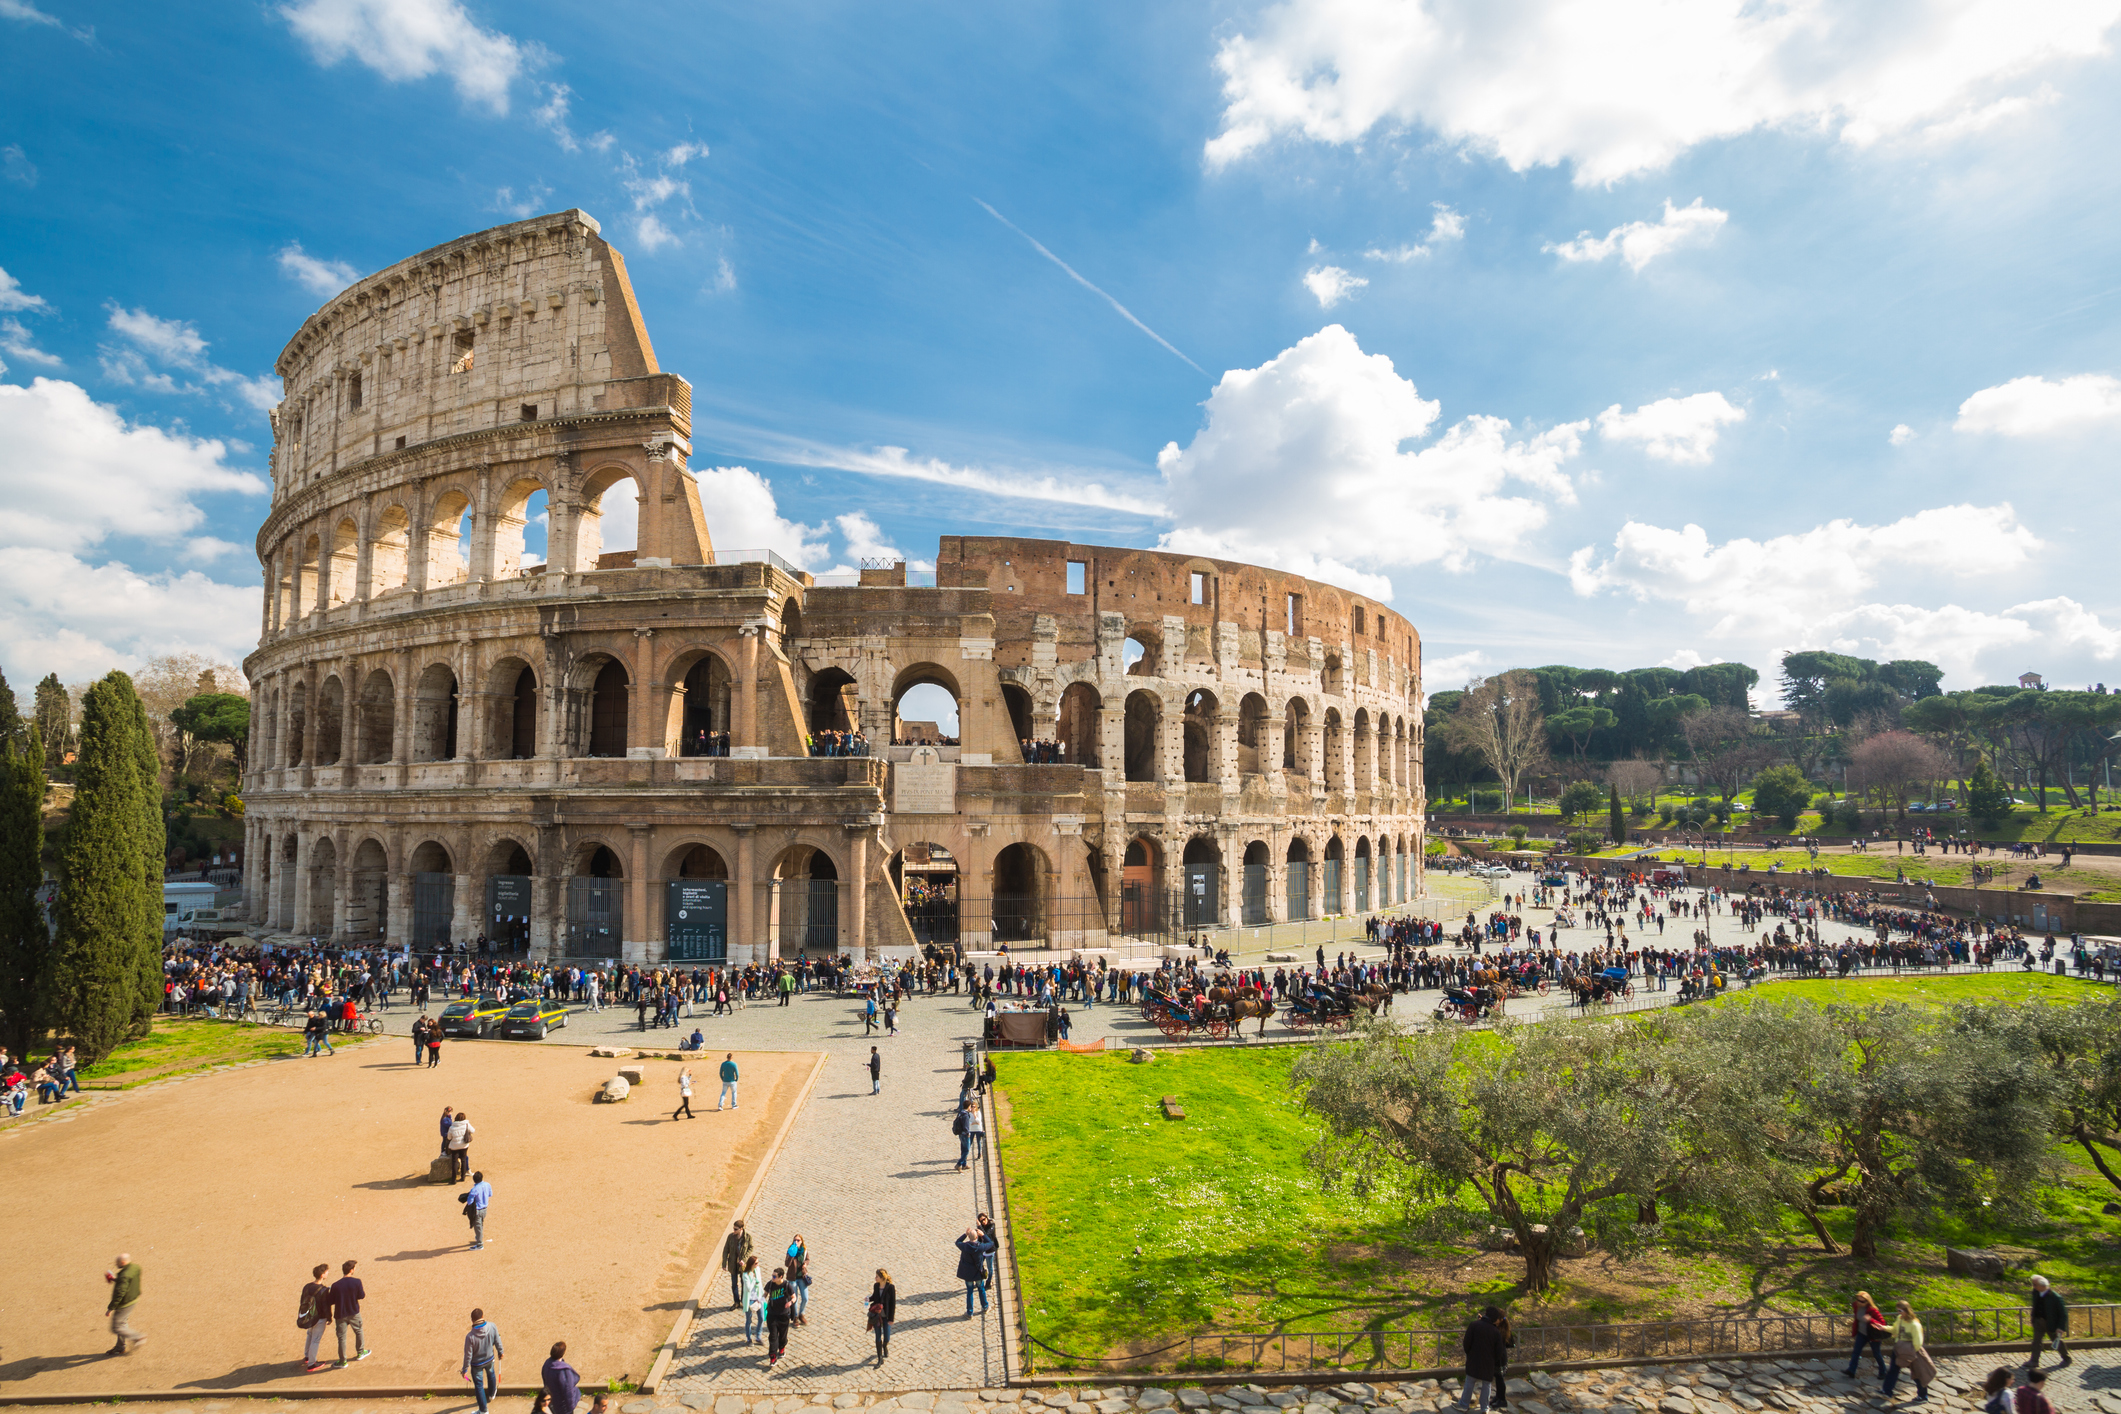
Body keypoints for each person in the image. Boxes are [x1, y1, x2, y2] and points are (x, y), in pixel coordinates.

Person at [1455, 1306, 1507, 1414]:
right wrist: (1493, 1360)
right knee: (1486, 1385)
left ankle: (1464, 1404)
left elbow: (1466, 1343)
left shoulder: (1474, 1325)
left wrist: (1470, 1354)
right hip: (1488, 1363)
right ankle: (1484, 1408)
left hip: (1474, 1359)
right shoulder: (1495, 1332)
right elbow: (1499, 1351)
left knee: (1469, 1382)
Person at [1884, 1300, 1931, 1401]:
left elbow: (1918, 1342)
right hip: (1898, 1349)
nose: (1899, 1313)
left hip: (1911, 1352)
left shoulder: (1915, 1325)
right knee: (1893, 1370)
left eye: (1900, 1311)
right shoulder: (1900, 1319)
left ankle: (1923, 1395)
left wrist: (1911, 1353)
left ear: (1907, 1310)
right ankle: (1887, 1390)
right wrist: (1883, 1328)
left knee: (1917, 1373)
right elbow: (1895, 1330)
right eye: (1898, 1311)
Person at [461, 1308, 503, 1414]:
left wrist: (464, 1369)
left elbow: (468, 1355)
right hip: (489, 1359)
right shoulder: (492, 1326)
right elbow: (497, 1340)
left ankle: (483, 1410)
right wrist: (500, 1352)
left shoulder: (470, 1337)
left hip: (476, 1364)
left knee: (479, 1386)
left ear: (472, 1320)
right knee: (491, 1374)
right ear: (482, 1316)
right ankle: (492, 1393)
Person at [331, 1259, 371, 1365]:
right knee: (358, 1331)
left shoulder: (335, 1285)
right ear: (352, 1270)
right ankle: (360, 1352)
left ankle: (343, 1361)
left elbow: (331, 1300)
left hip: (340, 1314)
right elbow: (361, 1296)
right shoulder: (357, 1282)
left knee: (341, 1338)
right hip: (354, 1312)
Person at [2029, 1274, 2071, 1371]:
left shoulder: (2056, 1297)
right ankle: (2034, 1361)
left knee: (2056, 1341)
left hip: (2051, 1323)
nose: (2033, 1286)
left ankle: (2066, 1358)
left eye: (2035, 1284)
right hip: (2038, 1321)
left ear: (2042, 1286)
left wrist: (2060, 1327)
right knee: (2036, 1341)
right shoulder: (2035, 1292)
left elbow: (2063, 1314)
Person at [1846, 1290, 1890, 1378]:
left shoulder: (1873, 1311)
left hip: (1872, 1335)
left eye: (1862, 1301)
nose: (1859, 1302)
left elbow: (1882, 1323)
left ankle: (1883, 1371)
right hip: (1861, 1333)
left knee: (1876, 1353)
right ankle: (1851, 1370)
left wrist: (1870, 1320)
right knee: (1856, 1352)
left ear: (1867, 1301)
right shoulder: (1856, 1305)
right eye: (1858, 1300)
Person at [297, 1263, 332, 1372]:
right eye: (326, 1271)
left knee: (310, 1334)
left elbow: (302, 1300)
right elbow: (326, 1306)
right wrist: (329, 1317)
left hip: (309, 1316)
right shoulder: (323, 1290)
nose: (328, 1273)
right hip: (319, 1318)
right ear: (322, 1275)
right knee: (315, 1340)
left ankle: (307, 1356)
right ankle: (312, 1363)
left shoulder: (307, 1286)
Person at [955, 1225, 995, 1317]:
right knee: (981, 1289)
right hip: (977, 1272)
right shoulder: (980, 1247)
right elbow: (991, 1243)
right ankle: (985, 1307)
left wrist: (965, 1234)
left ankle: (970, 1312)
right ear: (976, 1237)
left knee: (969, 1291)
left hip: (968, 1273)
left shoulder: (964, 1246)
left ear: (969, 1237)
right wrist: (983, 1235)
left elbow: (957, 1242)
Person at [763, 1266, 794, 1366]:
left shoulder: (786, 1285)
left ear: (781, 1277)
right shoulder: (770, 1284)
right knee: (773, 1336)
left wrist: (790, 1303)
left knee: (783, 1336)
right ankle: (772, 1357)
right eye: (772, 1275)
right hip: (772, 1314)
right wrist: (761, 1300)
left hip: (783, 1315)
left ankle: (781, 1348)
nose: (773, 1278)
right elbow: (765, 1294)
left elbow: (794, 1297)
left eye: (775, 1276)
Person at [867, 1268, 896, 1366]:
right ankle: (880, 1359)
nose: (875, 1278)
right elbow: (874, 1297)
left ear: (882, 1278)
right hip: (876, 1316)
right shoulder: (876, 1286)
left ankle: (885, 1346)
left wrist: (891, 1319)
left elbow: (893, 1304)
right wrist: (868, 1299)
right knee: (878, 1337)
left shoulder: (890, 1287)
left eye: (877, 1277)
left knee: (887, 1338)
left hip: (886, 1316)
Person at [721, 1220, 753, 1309]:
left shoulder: (747, 1237)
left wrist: (745, 1259)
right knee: (734, 1284)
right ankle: (736, 1302)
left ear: (741, 1229)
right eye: (733, 1229)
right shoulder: (731, 1237)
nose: (734, 1231)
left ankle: (743, 1300)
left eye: (736, 1229)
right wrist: (724, 1263)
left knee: (744, 1283)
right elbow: (726, 1250)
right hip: (732, 1264)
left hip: (742, 1265)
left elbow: (750, 1248)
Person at [542, 1340, 581, 1414]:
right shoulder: (563, 1371)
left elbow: (545, 1381)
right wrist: (570, 1407)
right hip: (563, 1407)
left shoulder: (547, 1364)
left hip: (552, 1403)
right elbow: (568, 1391)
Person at [738, 1255, 764, 1345]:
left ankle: (758, 1336)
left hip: (758, 1298)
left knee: (761, 1318)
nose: (757, 1264)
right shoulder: (745, 1275)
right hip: (749, 1300)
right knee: (749, 1320)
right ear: (752, 1264)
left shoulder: (757, 1270)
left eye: (758, 1263)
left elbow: (760, 1283)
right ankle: (749, 1338)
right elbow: (748, 1288)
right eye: (756, 1263)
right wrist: (753, 1279)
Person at [786, 1234, 811, 1325]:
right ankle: (795, 1317)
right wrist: (792, 1255)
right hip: (792, 1278)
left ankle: (801, 1314)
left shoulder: (804, 1250)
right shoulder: (791, 1250)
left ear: (801, 1241)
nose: (796, 1242)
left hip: (802, 1277)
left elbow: (807, 1259)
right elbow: (787, 1264)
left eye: (798, 1240)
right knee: (794, 1299)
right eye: (795, 1240)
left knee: (805, 1298)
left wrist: (805, 1264)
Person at [466, 1170, 492, 1250]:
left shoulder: (474, 1189)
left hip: (477, 1210)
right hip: (485, 1209)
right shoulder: (487, 1185)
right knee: (480, 1225)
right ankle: (478, 1238)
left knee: (478, 1227)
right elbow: (490, 1194)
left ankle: (479, 1245)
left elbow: (469, 1202)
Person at [447, 1110, 474, 1182]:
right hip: (464, 1145)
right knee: (463, 1160)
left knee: (454, 1162)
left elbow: (449, 1137)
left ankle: (453, 1179)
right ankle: (463, 1177)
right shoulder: (466, 1124)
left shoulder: (452, 1127)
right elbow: (473, 1130)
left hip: (454, 1146)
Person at [952, 1099, 974, 1170]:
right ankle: (959, 1164)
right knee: (967, 1150)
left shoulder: (961, 1113)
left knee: (963, 1149)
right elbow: (965, 1126)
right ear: (968, 1107)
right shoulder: (966, 1115)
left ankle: (964, 1165)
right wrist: (968, 1133)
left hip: (960, 1134)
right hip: (965, 1134)